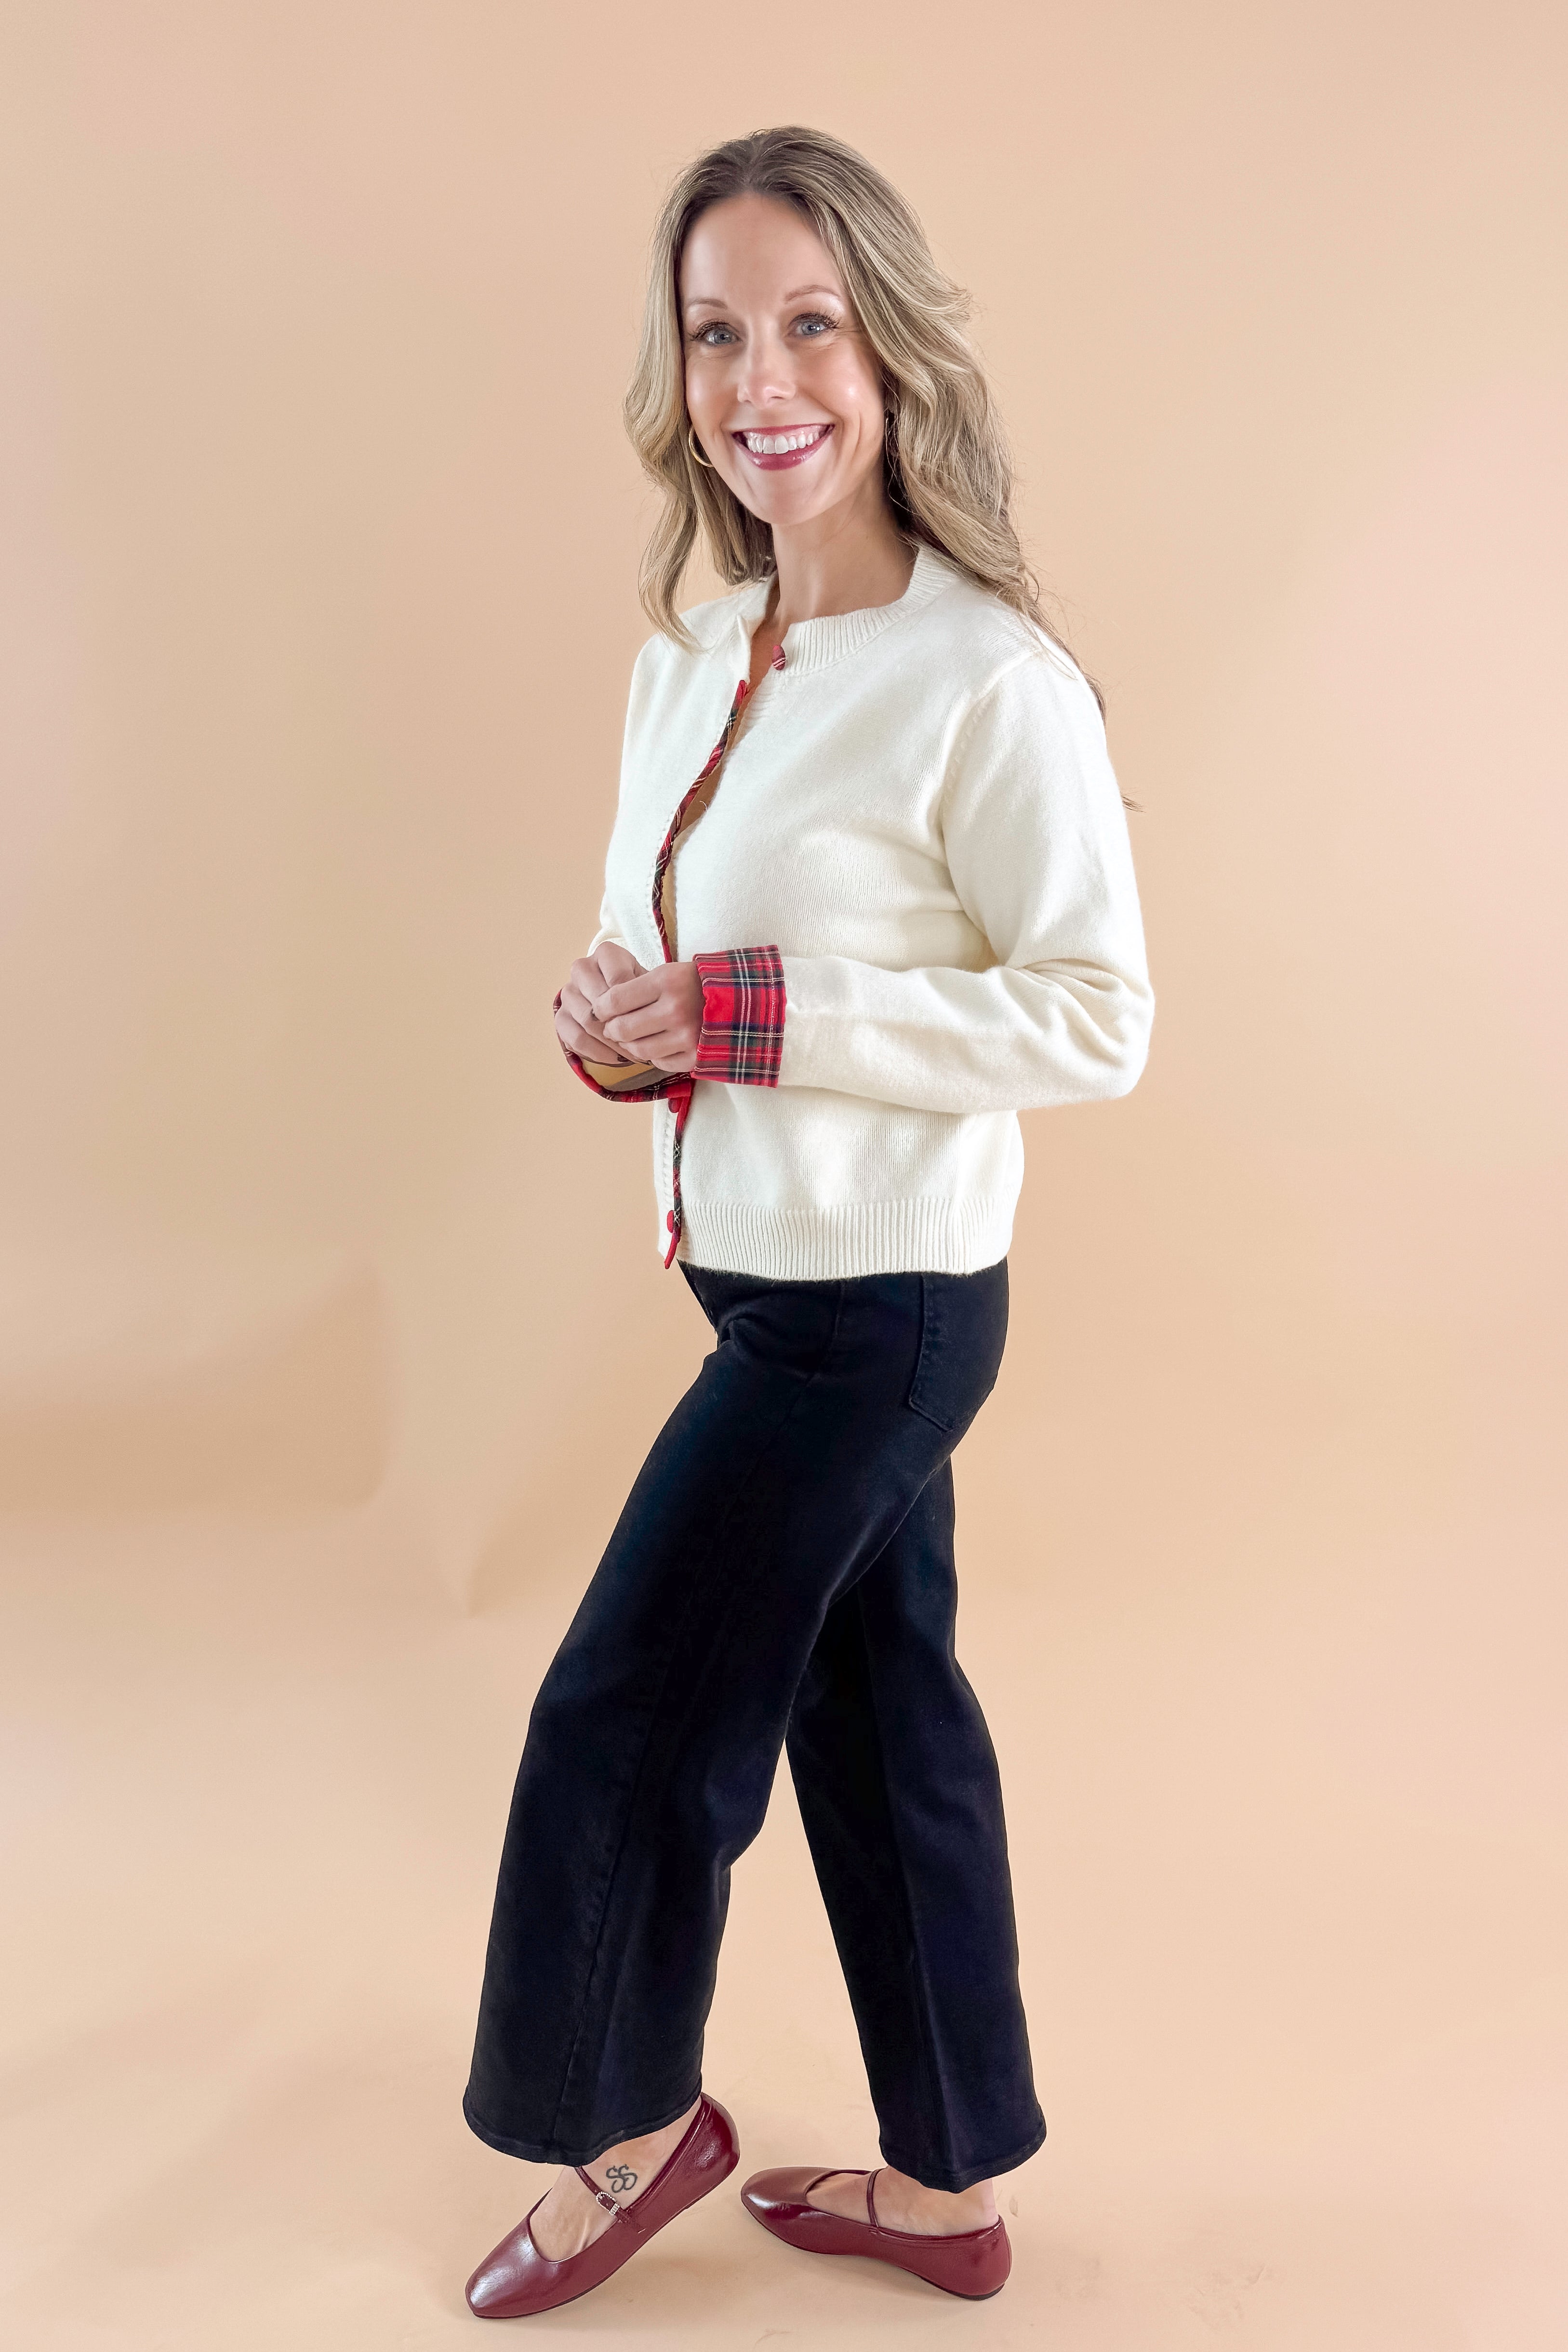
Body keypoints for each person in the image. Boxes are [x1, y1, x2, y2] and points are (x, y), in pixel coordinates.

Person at [461, 124, 1153, 2319]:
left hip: (880, 1311)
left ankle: (625, 2122)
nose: (763, 379)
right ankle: (951, 2183)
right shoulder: (695, 658)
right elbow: (652, 974)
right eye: (716, 333)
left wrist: (750, 1012)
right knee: (880, 1723)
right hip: (767, 1279)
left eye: (808, 322)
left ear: (890, 346)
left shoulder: (988, 680)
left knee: (630, 1712)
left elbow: (1094, 1015)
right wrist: (619, 1026)